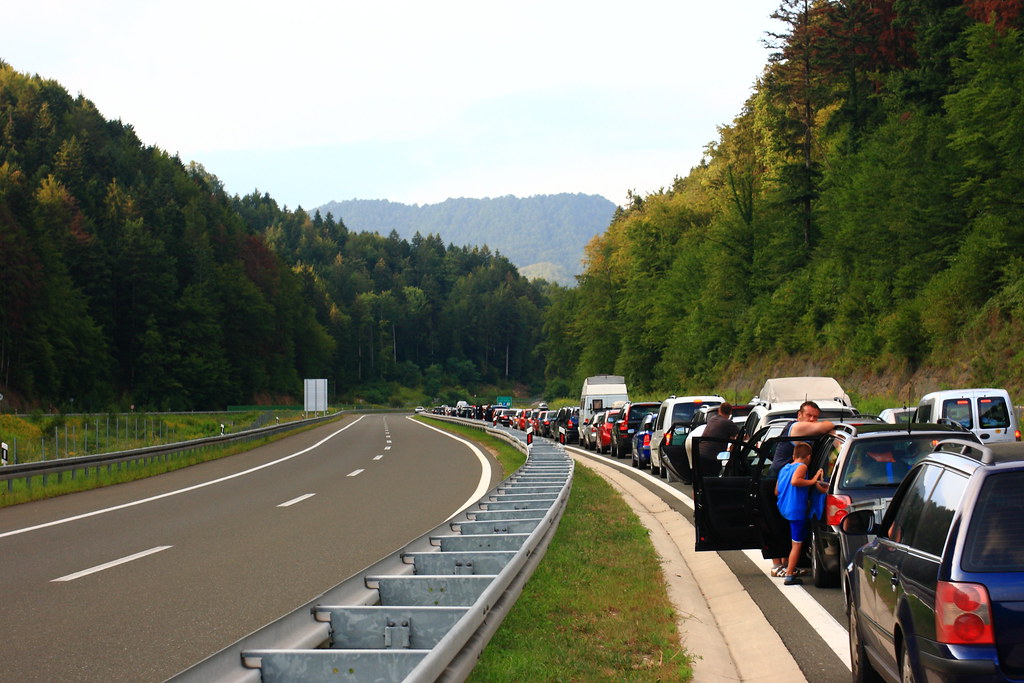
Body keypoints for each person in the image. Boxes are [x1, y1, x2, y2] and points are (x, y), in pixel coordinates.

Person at [774, 442, 828, 585]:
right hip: (796, 510)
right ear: (809, 457)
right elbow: (795, 481)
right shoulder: (802, 467)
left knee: (792, 541)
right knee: (797, 544)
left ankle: (788, 565)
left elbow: (776, 491)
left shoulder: (784, 468)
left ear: (793, 456)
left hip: (784, 508)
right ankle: (789, 575)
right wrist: (813, 480)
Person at [697, 402, 740, 477]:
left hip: (699, 453)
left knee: (701, 479)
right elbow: (742, 437)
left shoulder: (712, 419)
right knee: (712, 478)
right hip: (712, 457)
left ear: (719, 410)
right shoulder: (728, 423)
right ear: (730, 412)